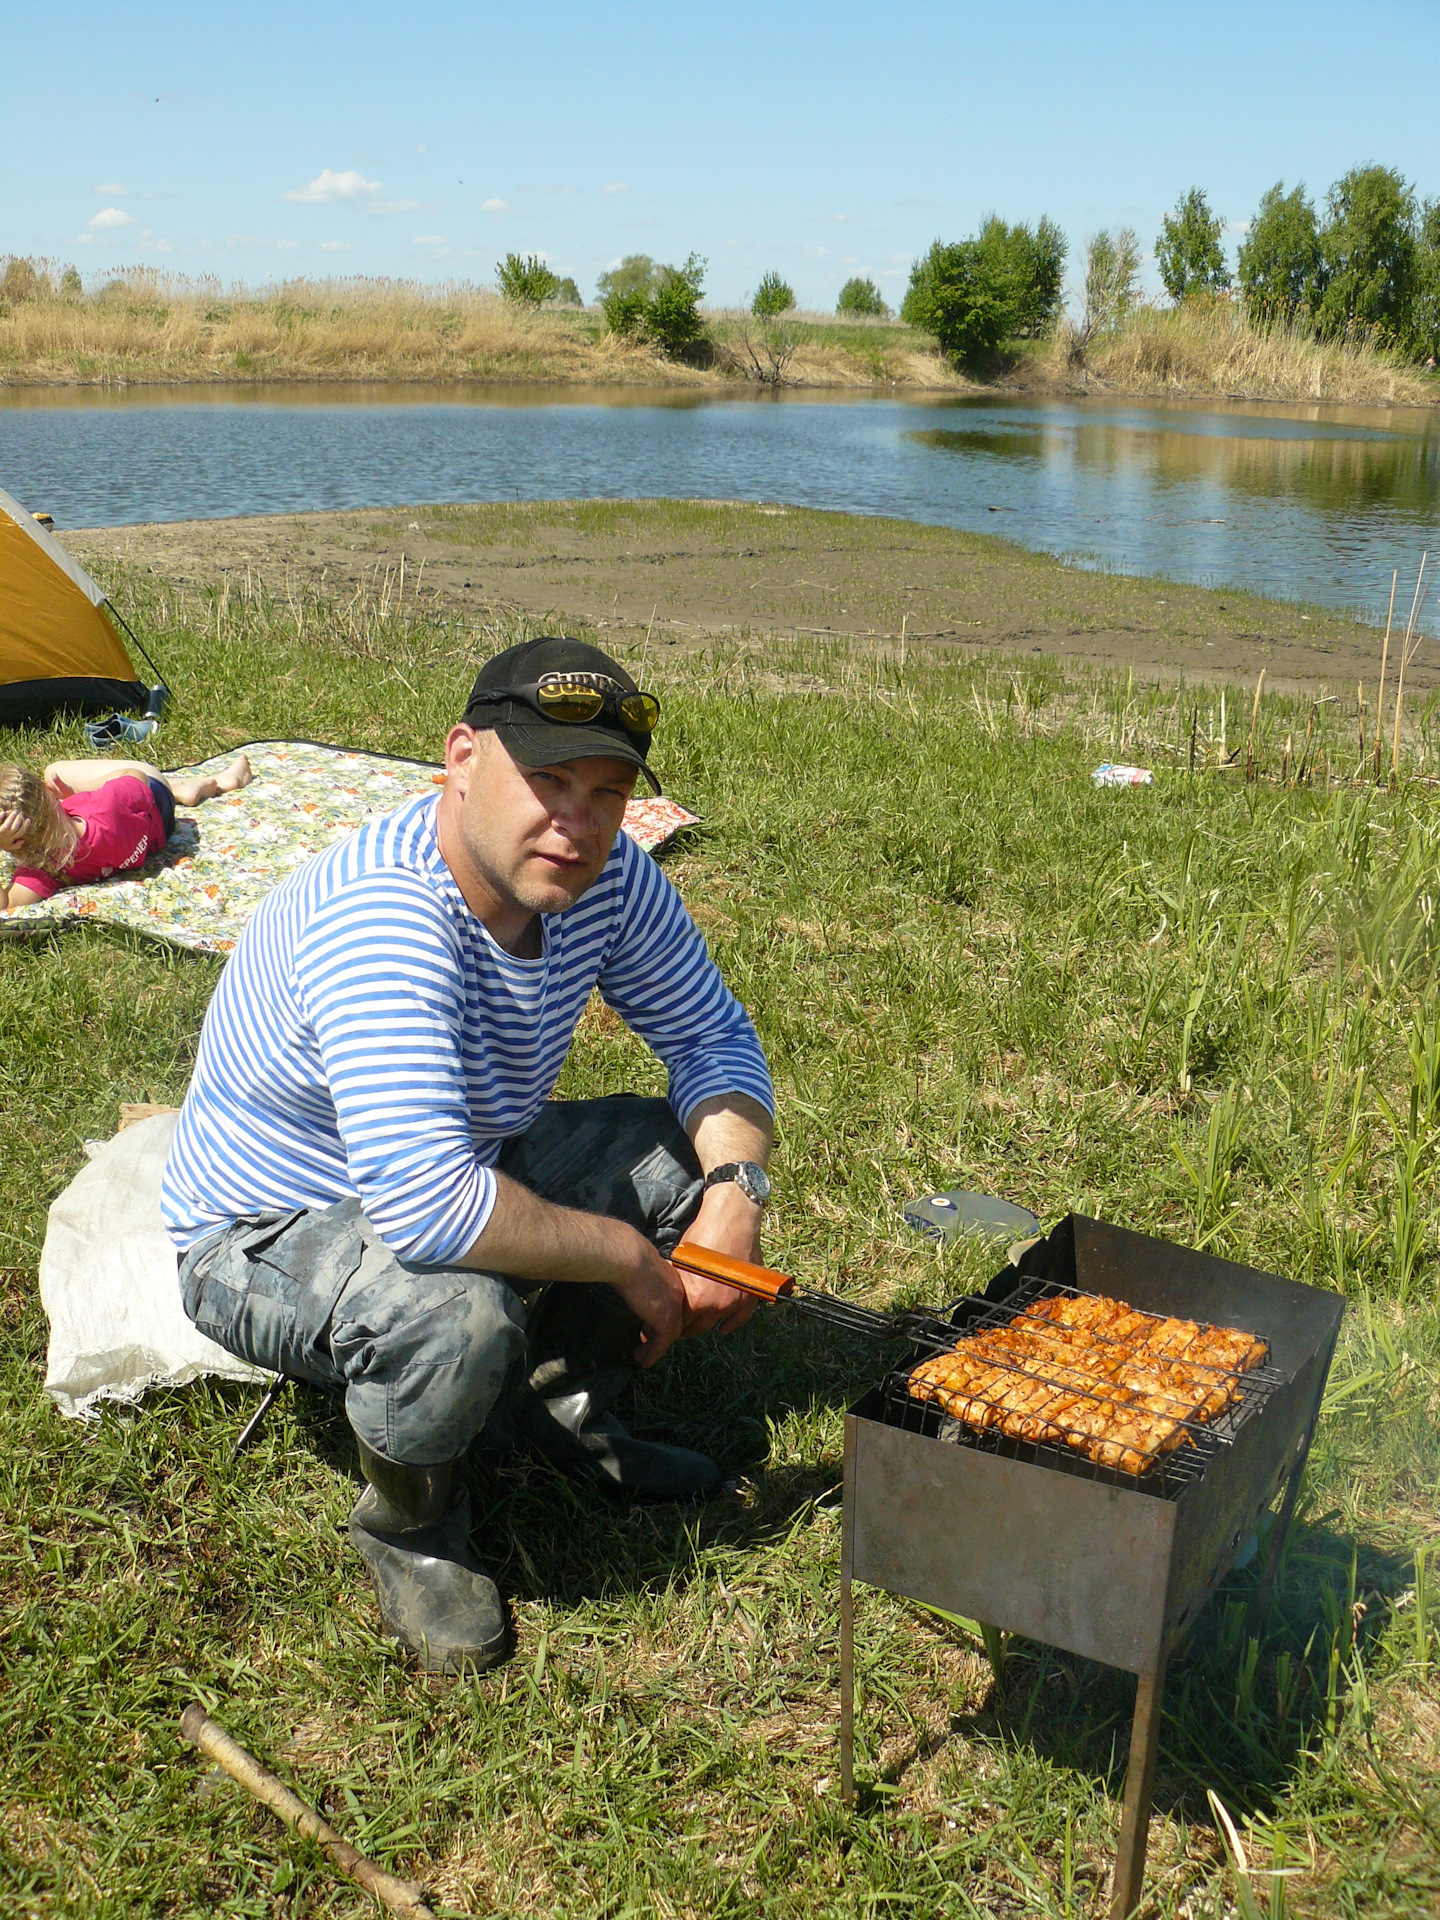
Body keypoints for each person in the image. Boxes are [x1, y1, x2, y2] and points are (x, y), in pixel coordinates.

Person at [161, 637, 775, 1675]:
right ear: (461, 758)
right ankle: (410, 1527)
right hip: (265, 1231)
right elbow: (430, 1213)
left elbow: (713, 1038)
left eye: (607, 792)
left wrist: (735, 1190)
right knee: (451, 1307)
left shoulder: (607, 875)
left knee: (676, 1147)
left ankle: (563, 1407)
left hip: (455, 1157)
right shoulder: (383, 916)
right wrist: (629, 1256)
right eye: (546, 782)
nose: (575, 824)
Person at [0, 753, 253, 911]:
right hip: (157, 805)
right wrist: (76, 792)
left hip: (151, 835)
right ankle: (179, 787)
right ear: (48, 795)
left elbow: (5, 905)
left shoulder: (45, 871)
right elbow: (135, 776)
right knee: (54, 769)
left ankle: (184, 788)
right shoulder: (104, 807)